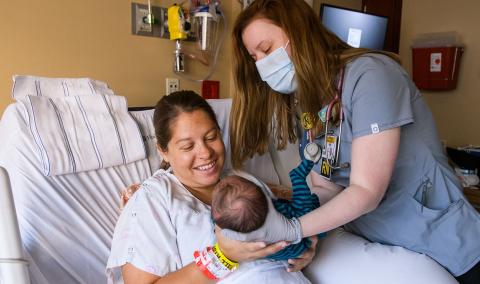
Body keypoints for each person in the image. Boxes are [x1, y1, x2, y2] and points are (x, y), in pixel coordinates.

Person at [218, 1, 480, 283]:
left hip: (443, 241)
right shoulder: (308, 103)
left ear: (299, 32)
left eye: (266, 49)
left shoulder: (372, 75)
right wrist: (309, 234)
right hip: (382, 245)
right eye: (255, 57)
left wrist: (293, 228)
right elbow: (325, 184)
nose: (261, 64)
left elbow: (366, 191)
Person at [106, 90, 315, 284]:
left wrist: (305, 248)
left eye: (211, 137)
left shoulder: (244, 182)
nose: (205, 152)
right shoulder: (153, 199)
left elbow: (289, 225)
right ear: (163, 151)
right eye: (188, 146)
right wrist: (223, 256)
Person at [212, 159, 323, 260]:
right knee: (307, 206)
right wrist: (299, 176)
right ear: (264, 194)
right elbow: (306, 210)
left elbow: (219, 219)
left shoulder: (234, 231)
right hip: (306, 237)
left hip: (286, 253)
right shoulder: (280, 213)